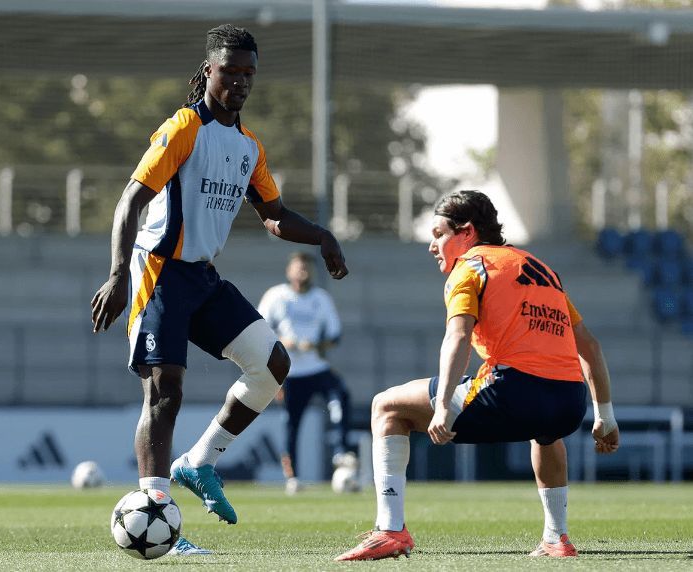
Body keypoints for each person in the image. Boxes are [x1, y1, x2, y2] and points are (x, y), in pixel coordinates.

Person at [89, 24, 349, 555]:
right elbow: (131, 201)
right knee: (166, 391)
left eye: (248, 74)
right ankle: (158, 514)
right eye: (229, 71)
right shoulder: (184, 127)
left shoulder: (248, 146)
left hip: (202, 277)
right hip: (159, 272)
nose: (239, 82)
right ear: (209, 71)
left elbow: (273, 216)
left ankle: (200, 461)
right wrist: (118, 274)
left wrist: (322, 236)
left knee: (274, 366)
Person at [335, 190, 619, 561]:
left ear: (466, 232)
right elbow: (591, 347)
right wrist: (605, 416)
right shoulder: (542, 269)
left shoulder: (470, 266)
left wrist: (440, 407)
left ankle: (390, 530)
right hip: (569, 403)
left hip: (514, 392)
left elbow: (458, 336)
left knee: (387, 406)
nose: (432, 245)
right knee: (546, 434)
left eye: (439, 234)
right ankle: (556, 538)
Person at [258, 251, 354, 495]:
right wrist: (283, 342)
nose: (303, 271)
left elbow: (335, 336)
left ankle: (341, 452)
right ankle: (293, 477)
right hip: (289, 373)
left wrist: (315, 346)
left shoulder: (321, 299)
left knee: (340, 396)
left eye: (308, 267)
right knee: (292, 424)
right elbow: (259, 332)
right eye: (299, 267)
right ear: (289, 271)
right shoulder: (276, 297)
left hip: (316, 367)